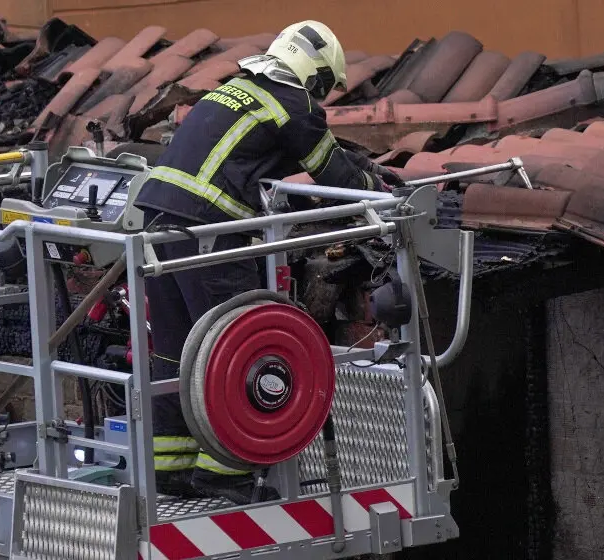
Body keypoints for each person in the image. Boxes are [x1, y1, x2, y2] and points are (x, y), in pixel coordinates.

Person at [133, 20, 406, 505]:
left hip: (158, 222)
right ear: (312, 72)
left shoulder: (238, 89)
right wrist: (378, 190)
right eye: (324, 85)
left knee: (176, 350)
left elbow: (267, 156)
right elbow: (331, 171)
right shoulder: (294, 102)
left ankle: (169, 469)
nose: (322, 96)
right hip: (210, 233)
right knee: (241, 346)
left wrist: (359, 163)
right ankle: (225, 473)